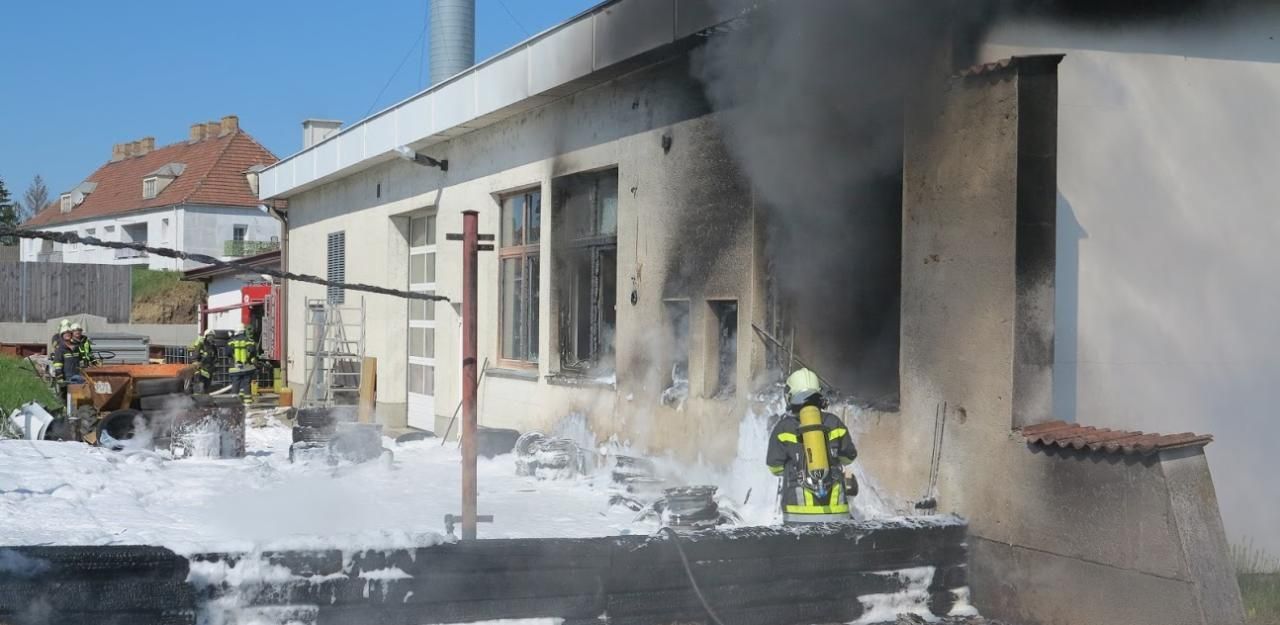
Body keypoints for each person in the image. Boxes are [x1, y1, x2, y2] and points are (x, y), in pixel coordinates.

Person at [766, 368, 859, 524]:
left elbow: (774, 468)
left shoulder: (783, 428)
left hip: (797, 515)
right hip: (836, 514)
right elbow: (849, 457)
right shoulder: (834, 423)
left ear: (790, 397)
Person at [227, 326, 259, 405]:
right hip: (247, 368)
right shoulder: (250, 341)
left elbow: (227, 353)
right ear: (244, 331)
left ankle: (234, 403)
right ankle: (247, 403)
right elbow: (253, 352)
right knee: (246, 384)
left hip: (235, 368)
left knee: (235, 384)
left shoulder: (231, 341)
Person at [190, 328, 218, 393]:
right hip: (201, 368)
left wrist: (215, 365)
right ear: (206, 336)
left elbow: (215, 357)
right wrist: (196, 363)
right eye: (209, 336)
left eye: (212, 336)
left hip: (209, 369)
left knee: (207, 386)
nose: (211, 338)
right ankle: (198, 396)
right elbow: (196, 354)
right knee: (200, 384)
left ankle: (205, 396)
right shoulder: (201, 344)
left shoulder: (213, 346)